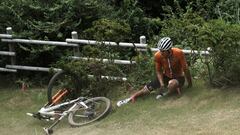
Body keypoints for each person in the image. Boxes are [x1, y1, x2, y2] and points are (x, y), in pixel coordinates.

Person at [117, 37, 192, 107]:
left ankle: (166, 93)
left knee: (172, 84)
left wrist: (190, 83)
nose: (161, 53)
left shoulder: (178, 53)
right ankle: (131, 98)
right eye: (160, 50)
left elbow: (185, 69)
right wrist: (162, 83)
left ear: (169, 50)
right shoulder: (158, 55)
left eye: (163, 51)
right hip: (166, 76)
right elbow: (158, 71)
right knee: (146, 89)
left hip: (178, 77)